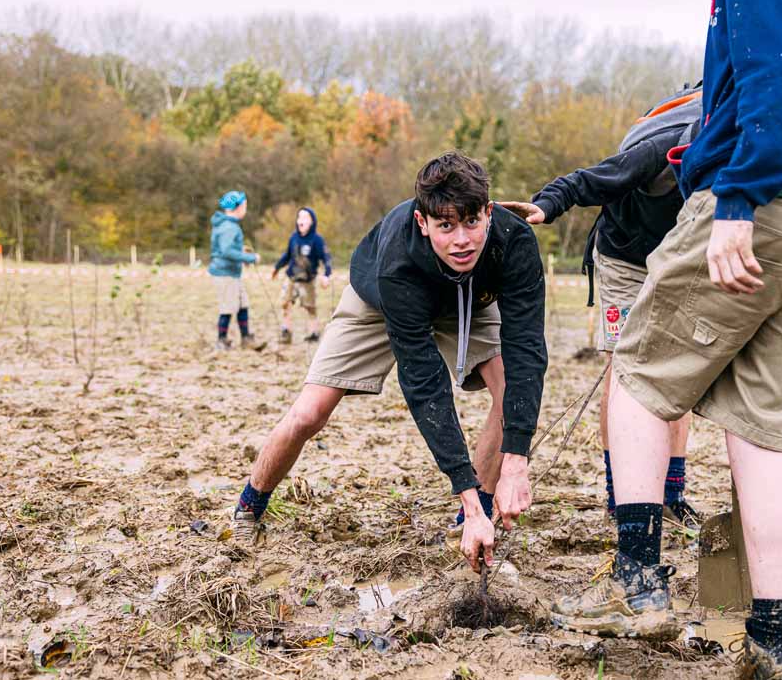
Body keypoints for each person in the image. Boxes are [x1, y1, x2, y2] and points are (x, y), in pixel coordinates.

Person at [551, 0, 782, 678]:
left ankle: (634, 582)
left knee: (637, 368)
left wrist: (738, 200)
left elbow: (781, 77)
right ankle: (774, 637)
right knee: (761, 425)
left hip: (769, 197)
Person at [230, 151, 548, 572]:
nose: (462, 240)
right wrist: (463, 490)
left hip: (468, 298)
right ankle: (250, 506)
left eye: (472, 222)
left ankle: (473, 522)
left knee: (509, 389)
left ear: (489, 213)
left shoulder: (514, 242)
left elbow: (527, 349)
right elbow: (423, 383)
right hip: (383, 300)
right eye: (446, 226)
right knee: (310, 413)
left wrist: (516, 462)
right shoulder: (399, 256)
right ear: (423, 222)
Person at [500, 82, 704, 529]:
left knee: (680, 371)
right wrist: (544, 206)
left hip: (677, 261)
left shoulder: (743, 151)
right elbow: (587, 180)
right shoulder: (660, 148)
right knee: (625, 369)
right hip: (624, 258)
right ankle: (620, 492)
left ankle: (672, 492)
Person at [208, 190, 261, 350]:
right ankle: (221, 340)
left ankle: (246, 338)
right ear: (236, 208)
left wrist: (241, 249)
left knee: (242, 303)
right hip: (225, 274)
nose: (245, 210)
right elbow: (226, 251)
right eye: (245, 206)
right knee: (228, 306)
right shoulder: (230, 227)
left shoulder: (227, 225)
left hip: (231, 273)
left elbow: (228, 247)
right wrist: (251, 258)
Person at [271, 207, 332, 344]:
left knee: (310, 307)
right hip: (291, 278)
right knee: (285, 304)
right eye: (299, 217)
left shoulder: (317, 240)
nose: (301, 220)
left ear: (312, 222)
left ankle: (313, 333)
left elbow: (326, 259)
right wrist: (276, 268)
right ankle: (286, 332)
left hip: (307, 280)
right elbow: (287, 255)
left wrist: (326, 275)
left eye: (305, 217)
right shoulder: (293, 237)